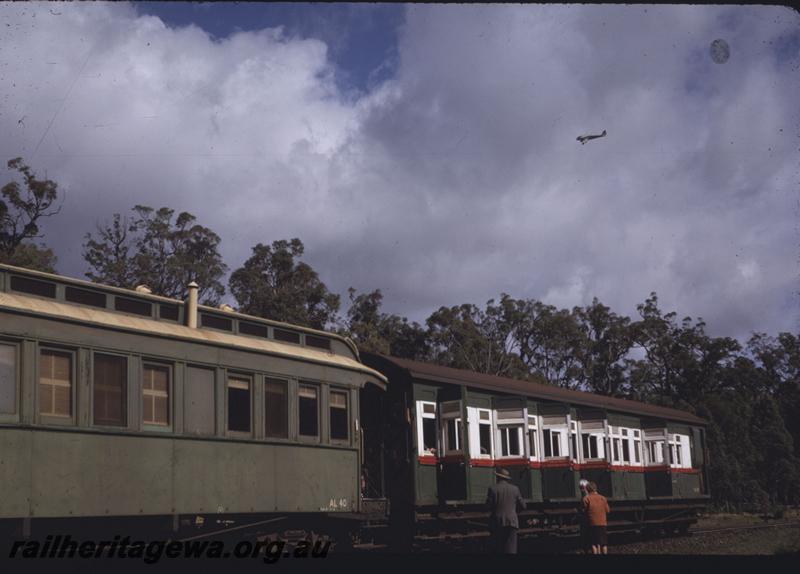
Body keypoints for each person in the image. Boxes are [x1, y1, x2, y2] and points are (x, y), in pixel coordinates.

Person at [486, 467, 526, 554]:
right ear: (507, 479)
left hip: (497, 522)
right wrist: (514, 512)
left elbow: (488, 506)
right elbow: (523, 506)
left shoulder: (493, 489)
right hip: (512, 521)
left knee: (499, 547)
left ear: (498, 477)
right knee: (511, 548)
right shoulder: (515, 489)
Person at [582, 481, 610, 555]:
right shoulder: (603, 498)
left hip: (592, 524)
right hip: (602, 523)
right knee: (603, 543)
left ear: (588, 489)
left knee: (594, 543)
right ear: (596, 488)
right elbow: (608, 510)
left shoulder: (586, 499)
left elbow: (584, 511)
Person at [578, 479, 590, 554]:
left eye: (582, 487)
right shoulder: (586, 496)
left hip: (586, 518)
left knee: (586, 534)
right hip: (585, 518)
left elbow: (585, 508)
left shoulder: (586, 497)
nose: (581, 489)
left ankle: (586, 549)